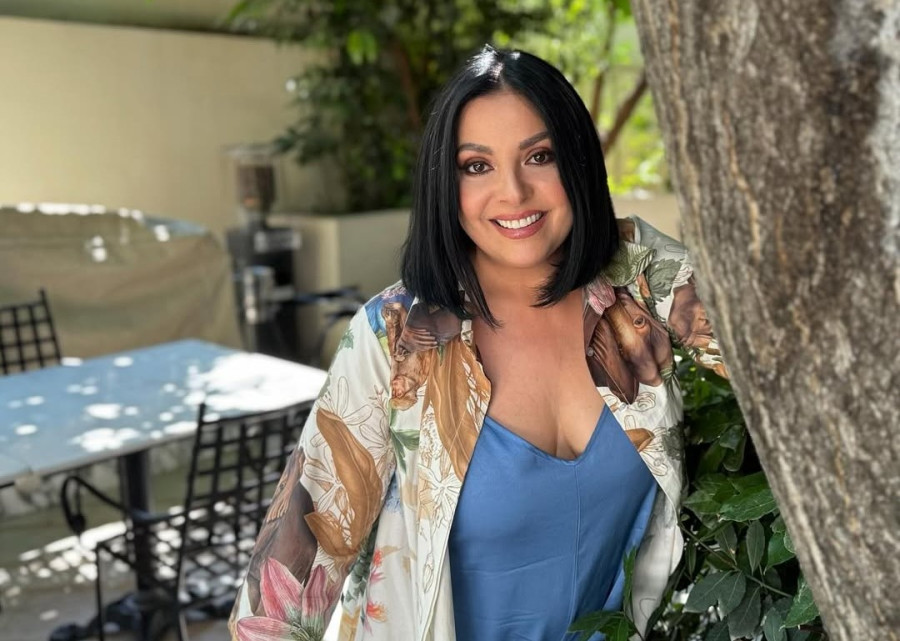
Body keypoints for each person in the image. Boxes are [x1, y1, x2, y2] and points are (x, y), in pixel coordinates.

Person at [228, 45, 726, 641]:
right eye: (476, 166)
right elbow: (278, 602)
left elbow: (767, 357)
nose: (513, 193)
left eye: (539, 156)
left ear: (578, 161)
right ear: (445, 181)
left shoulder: (634, 281)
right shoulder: (394, 338)